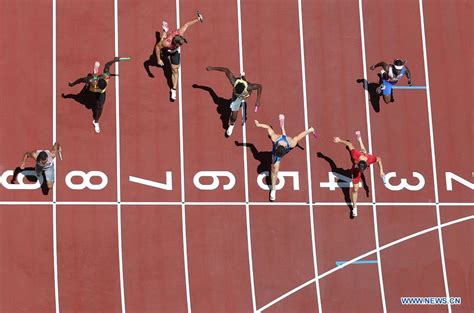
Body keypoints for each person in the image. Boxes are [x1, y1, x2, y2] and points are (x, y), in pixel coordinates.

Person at [254, 115, 314, 201]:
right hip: (277, 148)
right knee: (274, 169)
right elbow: (268, 127)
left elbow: (299, 136)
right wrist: (258, 124)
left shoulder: (291, 143)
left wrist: (309, 130)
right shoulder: (275, 138)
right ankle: (273, 189)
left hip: (285, 143)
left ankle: (282, 125)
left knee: (288, 136)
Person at [333, 131, 384, 217]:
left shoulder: (370, 159)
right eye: (359, 169)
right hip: (356, 166)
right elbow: (349, 143)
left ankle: (360, 139)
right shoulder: (355, 155)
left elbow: (379, 159)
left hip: (364, 157)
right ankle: (355, 208)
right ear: (358, 164)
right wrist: (339, 140)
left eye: (362, 170)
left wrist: (381, 170)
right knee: (355, 189)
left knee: (364, 152)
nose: (361, 171)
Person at [156, 11, 204, 101]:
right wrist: (158, 59)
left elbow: (187, 25)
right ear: (175, 42)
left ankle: (173, 89)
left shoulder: (180, 33)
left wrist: (197, 19)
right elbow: (157, 47)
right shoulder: (167, 43)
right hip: (166, 49)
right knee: (161, 41)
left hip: (174, 52)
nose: (181, 45)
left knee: (175, 70)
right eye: (179, 44)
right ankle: (164, 31)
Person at [66, 57, 122, 133]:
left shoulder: (106, 76)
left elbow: (107, 65)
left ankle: (96, 121)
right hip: (92, 90)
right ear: (98, 83)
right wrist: (72, 84)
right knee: (88, 88)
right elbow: (80, 80)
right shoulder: (92, 81)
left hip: (101, 93)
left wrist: (114, 61)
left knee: (100, 107)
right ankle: (95, 70)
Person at [207, 66, 262, 136]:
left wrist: (258, 100)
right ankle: (232, 125)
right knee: (234, 116)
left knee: (248, 89)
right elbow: (226, 70)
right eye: (235, 90)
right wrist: (212, 68)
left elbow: (259, 86)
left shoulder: (249, 87)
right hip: (236, 98)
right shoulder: (234, 82)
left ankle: (243, 76)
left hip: (245, 93)